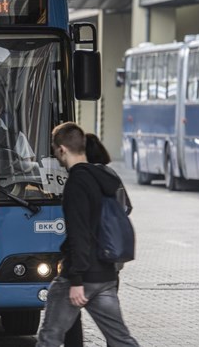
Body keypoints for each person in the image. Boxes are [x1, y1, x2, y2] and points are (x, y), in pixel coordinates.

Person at [35, 122, 138, 347]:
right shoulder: (102, 177)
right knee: (121, 339)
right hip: (105, 274)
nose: (55, 155)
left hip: (82, 275)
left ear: (62, 149)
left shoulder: (76, 183)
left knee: (49, 337)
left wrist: (77, 280)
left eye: (54, 150)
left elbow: (79, 233)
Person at [64, 133, 132, 347]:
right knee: (113, 324)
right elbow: (127, 207)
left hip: (88, 258)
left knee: (69, 316)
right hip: (112, 259)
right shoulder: (112, 176)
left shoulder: (84, 178)